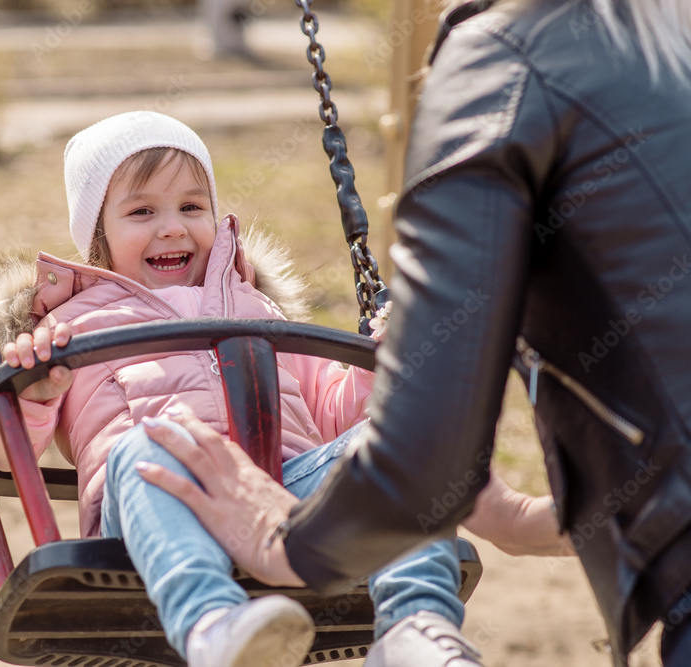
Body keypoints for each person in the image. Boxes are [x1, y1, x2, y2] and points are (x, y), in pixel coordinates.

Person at [134, 1, 691, 665]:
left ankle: (414, 626)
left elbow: (422, 457)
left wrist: (287, 539)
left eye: (190, 207)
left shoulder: (503, 63)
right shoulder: (656, 37)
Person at [0, 111, 476, 667]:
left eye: (192, 207)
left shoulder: (256, 308)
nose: (172, 226)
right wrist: (36, 393)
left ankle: (415, 625)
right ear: (98, 235)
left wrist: (381, 371)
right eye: (142, 211)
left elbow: (335, 415)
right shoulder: (69, 327)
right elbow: (2, 452)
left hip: (285, 495)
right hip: (152, 515)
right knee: (153, 446)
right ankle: (214, 626)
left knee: (393, 445)